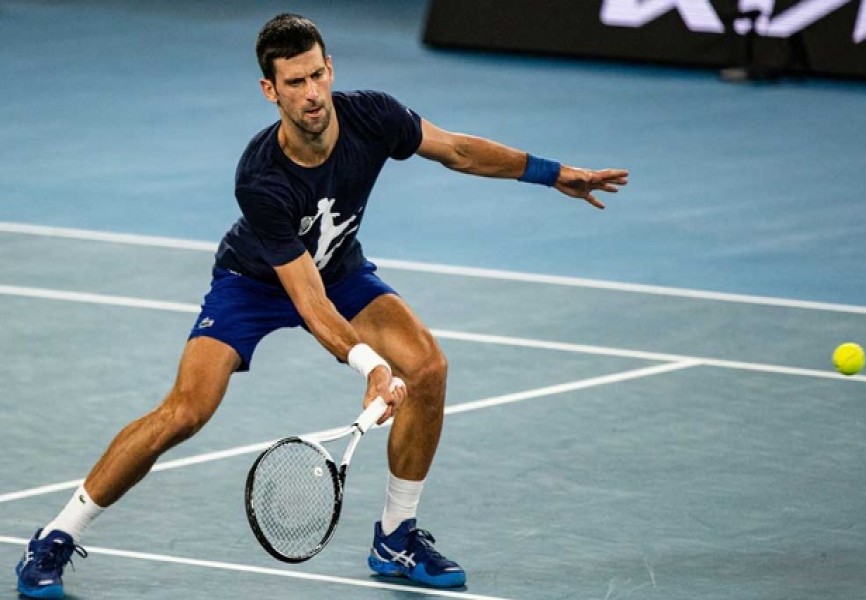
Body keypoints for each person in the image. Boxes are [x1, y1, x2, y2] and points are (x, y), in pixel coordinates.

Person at [14, 12, 629, 599]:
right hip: (254, 283)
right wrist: (372, 368)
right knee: (185, 412)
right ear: (270, 90)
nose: (312, 93)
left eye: (317, 75)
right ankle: (57, 535)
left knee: (428, 367)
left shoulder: (373, 116)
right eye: (294, 83)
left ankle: (396, 538)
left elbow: (458, 150)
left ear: (330, 68)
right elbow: (309, 303)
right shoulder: (260, 177)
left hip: (339, 270)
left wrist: (551, 173)